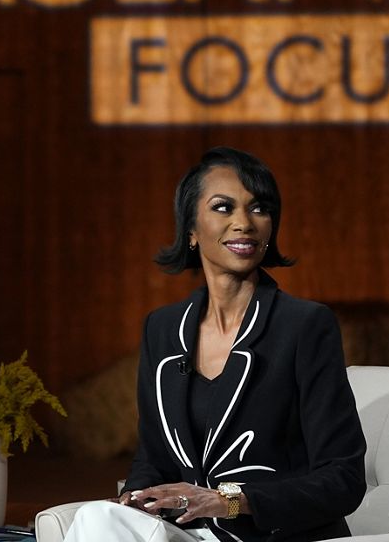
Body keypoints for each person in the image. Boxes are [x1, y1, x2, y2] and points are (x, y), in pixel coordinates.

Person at [64, 147, 365, 542]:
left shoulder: (305, 326)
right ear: (191, 229)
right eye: (223, 208)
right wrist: (136, 499)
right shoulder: (163, 328)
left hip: (269, 533)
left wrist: (230, 501)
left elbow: (343, 478)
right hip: (188, 532)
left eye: (259, 208)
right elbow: (152, 458)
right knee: (95, 520)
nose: (244, 222)